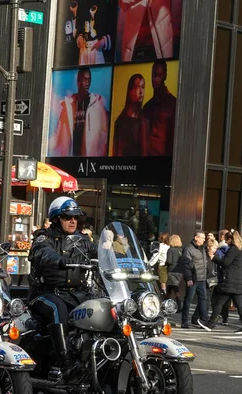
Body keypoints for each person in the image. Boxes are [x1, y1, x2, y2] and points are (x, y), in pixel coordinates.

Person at [28, 196, 98, 375]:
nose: (73, 221)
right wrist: (60, 261)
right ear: (56, 219)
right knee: (58, 309)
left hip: (78, 293)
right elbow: (43, 253)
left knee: (103, 308)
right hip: (47, 294)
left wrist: (119, 260)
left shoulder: (82, 240)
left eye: (76, 217)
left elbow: (99, 253)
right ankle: (66, 363)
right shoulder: (44, 238)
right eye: (68, 217)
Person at [52, 68, 109, 157]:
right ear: (78, 81)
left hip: (89, 156)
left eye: (89, 80)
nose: (87, 83)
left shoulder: (96, 104)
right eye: (85, 80)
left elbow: (105, 132)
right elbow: (58, 130)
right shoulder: (69, 104)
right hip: (71, 153)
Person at [207, 231, 242, 333]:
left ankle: (210, 324)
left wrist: (214, 258)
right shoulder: (240, 249)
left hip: (231, 281)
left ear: (230, 239)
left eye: (227, 240)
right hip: (237, 281)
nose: (226, 242)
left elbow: (226, 262)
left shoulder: (233, 249)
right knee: (239, 304)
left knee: (220, 302)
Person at [142, 60, 177, 156]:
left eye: (159, 75)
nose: (156, 79)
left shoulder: (173, 104)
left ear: (165, 76)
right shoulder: (147, 107)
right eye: (154, 75)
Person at [113, 74, 149, 156]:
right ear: (130, 91)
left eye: (143, 87)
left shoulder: (145, 121)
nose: (141, 92)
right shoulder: (121, 123)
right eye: (137, 87)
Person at [180, 231, 209, 329]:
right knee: (188, 300)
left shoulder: (202, 248)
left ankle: (204, 320)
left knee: (203, 299)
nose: (204, 240)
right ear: (196, 238)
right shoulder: (188, 248)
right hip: (193, 278)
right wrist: (188, 278)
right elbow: (186, 264)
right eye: (202, 238)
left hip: (202, 278)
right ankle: (184, 321)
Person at [166, 234, 183, 309]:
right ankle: (167, 303)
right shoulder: (181, 250)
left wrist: (165, 264)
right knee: (171, 287)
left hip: (172, 271)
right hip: (179, 271)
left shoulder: (170, 250)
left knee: (174, 288)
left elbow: (169, 261)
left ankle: (179, 306)